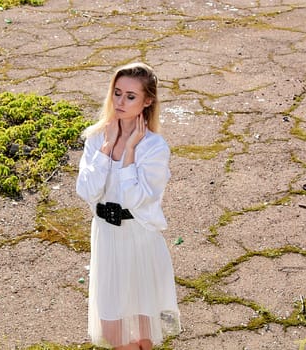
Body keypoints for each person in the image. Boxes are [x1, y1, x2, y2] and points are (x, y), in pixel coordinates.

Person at [76, 62, 181, 350]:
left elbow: (137, 200)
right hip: (106, 238)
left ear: (147, 101)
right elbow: (86, 190)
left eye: (131, 96)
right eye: (117, 93)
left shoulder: (154, 147)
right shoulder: (97, 137)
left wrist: (131, 152)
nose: (120, 102)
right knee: (113, 332)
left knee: (141, 335)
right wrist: (107, 151)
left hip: (138, 239)